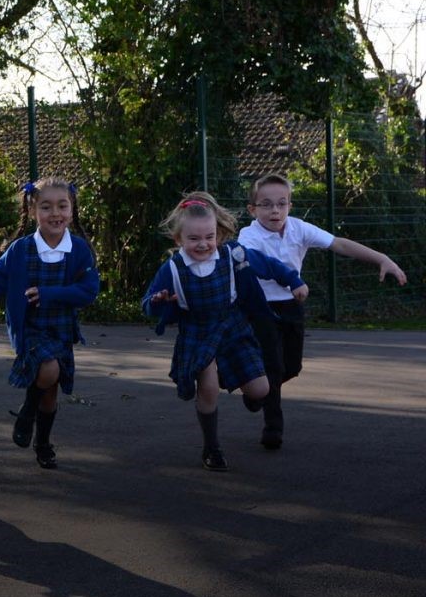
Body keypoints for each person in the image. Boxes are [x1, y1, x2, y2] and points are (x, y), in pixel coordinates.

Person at [0, 177, 99, 469]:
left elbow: (88, 291)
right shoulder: (20, 251)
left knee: (50, 393)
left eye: (62, 206)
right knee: (48, 368)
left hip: (61, 329)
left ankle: (43, 442)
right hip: (30, 329)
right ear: (33, 211)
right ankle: (27, 412)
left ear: (72, 209)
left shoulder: (79, 250)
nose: (55, 213)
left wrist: (49, 294)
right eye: (46, 207)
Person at [238, 173, 407, 450]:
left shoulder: (298, 228)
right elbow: (260, 263)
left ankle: (258, 391)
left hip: (292, 305)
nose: (275, 210)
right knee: (273, 366)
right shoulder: (249, 236)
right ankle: (273, 429)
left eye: (281, 203)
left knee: (292, 367)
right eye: (266, 204)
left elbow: (338, 243)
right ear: (252, 209)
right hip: (261, 307)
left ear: (290, 206)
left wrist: (381, 258)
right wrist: (291, 280)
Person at [143, 191, 307, 472]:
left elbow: (269, 265)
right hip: (198, 331)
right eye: (194, 239)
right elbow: (148, 304)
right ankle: (212, 448)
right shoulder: (172, 268)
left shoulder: (233, 254)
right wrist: (158, 302)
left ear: (217, 234)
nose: (203, 244)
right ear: (178, 239)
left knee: (261, 389)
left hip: (233, 326)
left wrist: (294, 280)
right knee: (208, 389)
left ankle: (245, 389)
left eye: (209, 237)